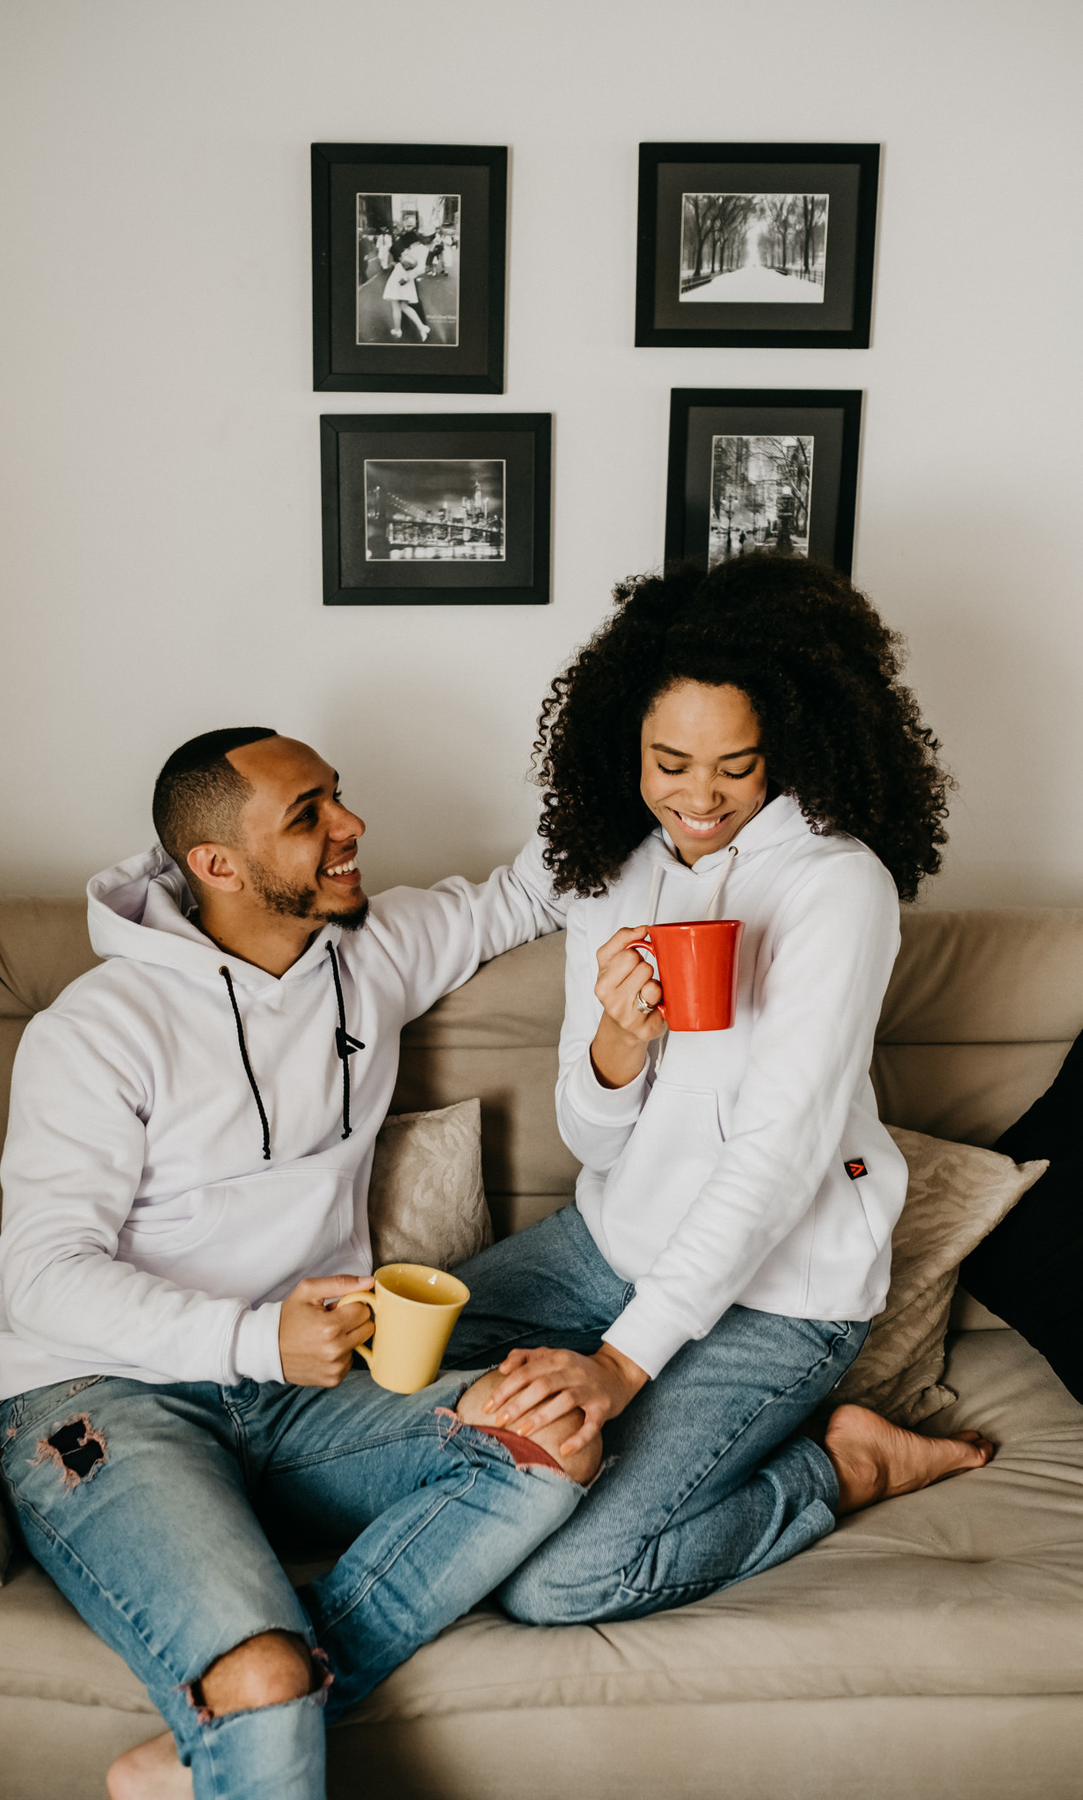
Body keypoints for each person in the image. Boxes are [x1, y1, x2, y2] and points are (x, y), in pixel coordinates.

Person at [0, 728, 597, 1800]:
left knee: (547, 1443)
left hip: (303, 1401)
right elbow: (43, 1274)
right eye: (308, 815)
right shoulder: (94, 1032)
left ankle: (212, 1741)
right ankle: (254, 1700)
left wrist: (649, 749)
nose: (351, 828)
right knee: (259, 1669)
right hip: (102, 1396)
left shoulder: (373, 953)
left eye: (338, 800)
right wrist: (253, 1337)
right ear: (217, 865)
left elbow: (526, 891)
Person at [445, 555, 994, 1627]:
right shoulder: (615, 867)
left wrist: (618, 1367)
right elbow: (593, 1143)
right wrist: (617, 1041)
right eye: (669, 763)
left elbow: (779, 1156)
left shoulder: (838, 887)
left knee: (562, 1581)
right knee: (385, 1364)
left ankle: (840, 1467)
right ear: (625, 746)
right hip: (608, 1248)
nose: (700, 800)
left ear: (790, 745)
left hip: (776, 1296)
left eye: (739, 769)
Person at [381, 251, 429, 340]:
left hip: (397, 282)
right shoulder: (406, 263)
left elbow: (418, 267)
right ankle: (421, 327)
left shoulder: (404, 262)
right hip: (406, 283)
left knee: (395, 306)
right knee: (404, 306)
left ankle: (397, 330)